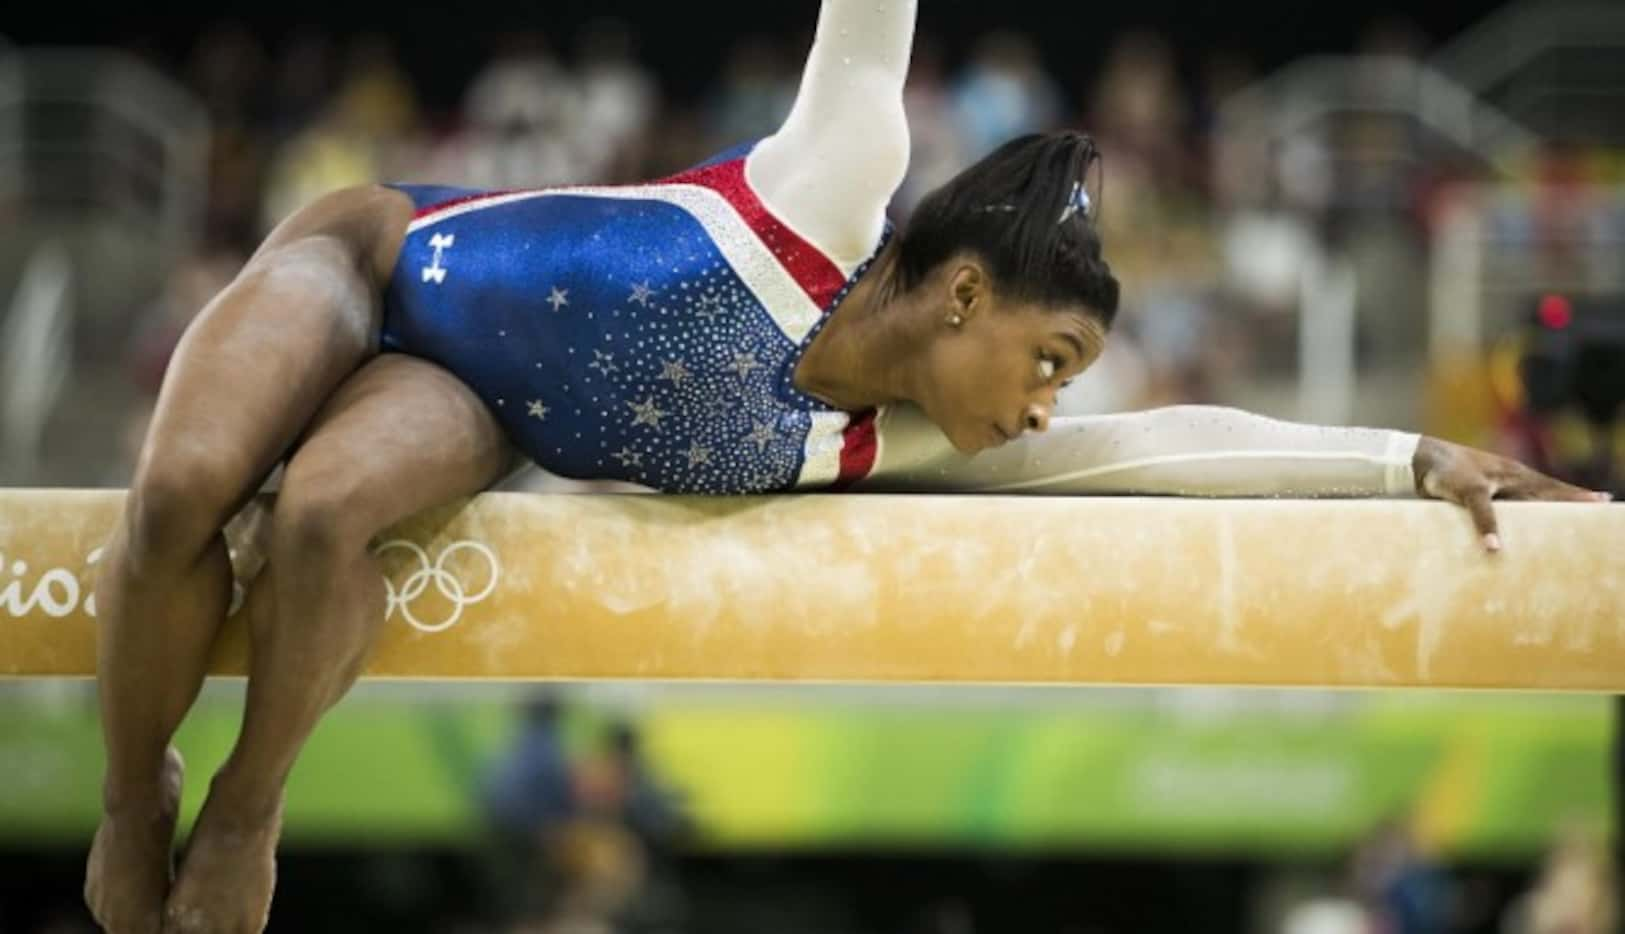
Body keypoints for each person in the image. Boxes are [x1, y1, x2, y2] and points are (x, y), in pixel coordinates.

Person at [84, 3, 1610, 932]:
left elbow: (1168, 449)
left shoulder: (885, 450)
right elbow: (870, 20)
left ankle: (244, 810)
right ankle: (129, 790)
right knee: (175, 497)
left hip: (461, 395)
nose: (1043, 410)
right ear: (961, 295)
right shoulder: (828, 191)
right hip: (377, 250)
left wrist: (1411, 458)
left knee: (330, 512)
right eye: (1047, 362)